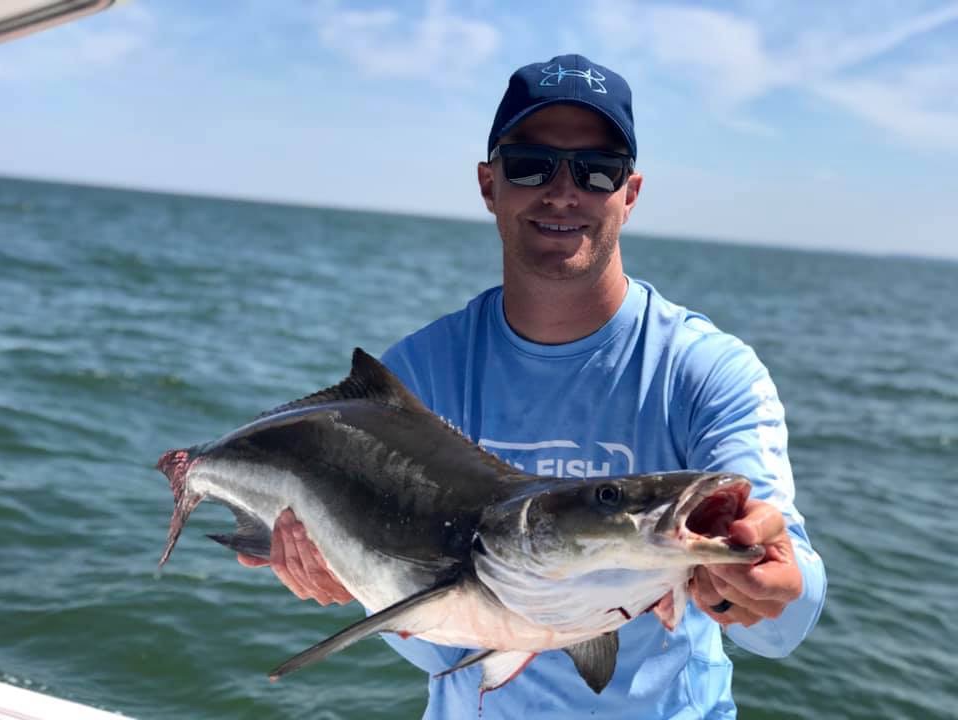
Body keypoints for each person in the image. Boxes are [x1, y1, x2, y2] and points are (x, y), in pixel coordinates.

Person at [239, 54, 827, 718]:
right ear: (490, 185)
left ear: (628, 194)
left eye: (596, 169)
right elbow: (442, 645)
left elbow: (788, 623)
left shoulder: (709, 373)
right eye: (530, 165)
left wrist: (768, 584)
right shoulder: (418, 376)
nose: (563, 192)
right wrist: (352, 575)